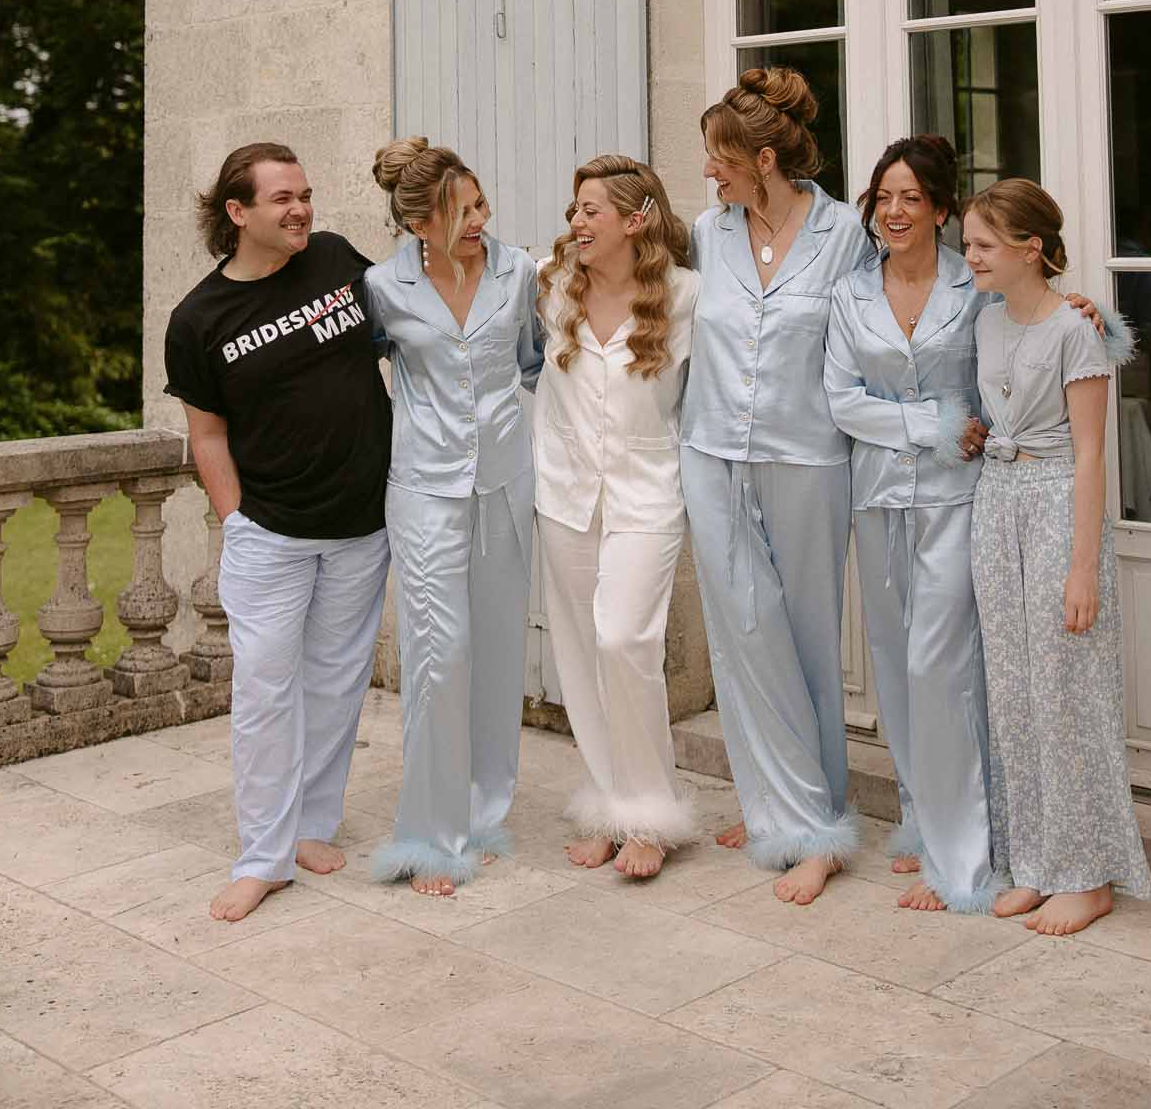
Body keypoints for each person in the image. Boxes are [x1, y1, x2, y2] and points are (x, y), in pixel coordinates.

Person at [164, 143, 392, 923]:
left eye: (305, 194)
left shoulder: (334, 259)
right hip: (272, 533)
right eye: (282, 200)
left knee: (334, 683)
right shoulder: (199, 319)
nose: (301, 210)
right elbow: (207, 435)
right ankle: (261, 856)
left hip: (362, 524)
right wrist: (237, 520)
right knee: (265, 692)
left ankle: (311, 827)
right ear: (237, 213)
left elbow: (409, 323)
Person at [679, 67, 870, 906]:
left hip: (808, 455)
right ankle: (775, 805)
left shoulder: (844, 235)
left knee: (806, 635)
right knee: (742, 632)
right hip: (711, 450)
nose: (708, 173)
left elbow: (911, 301)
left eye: (718, 158)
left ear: (761, 158)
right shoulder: (703, 233)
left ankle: (815, 816)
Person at [964, 177, 1151, 936]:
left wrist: (1082, 566)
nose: (969, 256)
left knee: (1067, 693)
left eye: (982, 244)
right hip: (993, 503)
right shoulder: (984, 323)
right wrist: (976, 434)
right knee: (1012, 691)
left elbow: (1089, 455)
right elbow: (995, 410)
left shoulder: (1076, 332)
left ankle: (1088, 874)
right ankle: (1035, 863)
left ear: (1028, 249)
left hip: (1053, 507)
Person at [824, 136, 1002, 913]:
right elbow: (840, 398)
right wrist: (931, 422)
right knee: (896, 668)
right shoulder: (849, 295)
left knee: (941, 669)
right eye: (882, 197)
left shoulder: (975, 287)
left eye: (910, 199)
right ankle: (922, 821)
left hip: (954, 500)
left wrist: (1084, 316)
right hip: (878, 496)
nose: (893, 212)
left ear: (938, 210)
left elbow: (1017, 350)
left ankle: (961, 859)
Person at [364, 139, 541, 895]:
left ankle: (483, 811)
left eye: (479, 202)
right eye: (462, 210)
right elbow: (364, 369)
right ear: (420, 222)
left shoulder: (519, 271)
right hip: (424, 490)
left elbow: (534, 363)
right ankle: (430, 837)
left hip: (504, 484)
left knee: (498, 651)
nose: (481, 218)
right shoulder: (382, 287)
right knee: (442, 655)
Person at [534, 156, 699, 880]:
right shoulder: (547, 285)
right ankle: (609, 804)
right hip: (564, 492)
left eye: (591, 211)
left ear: (635, 221)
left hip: (647, 492)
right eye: (574, 209)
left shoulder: (686, 295)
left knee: (624, 638)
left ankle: (650, 818)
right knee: (578, 650)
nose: (576, 222)